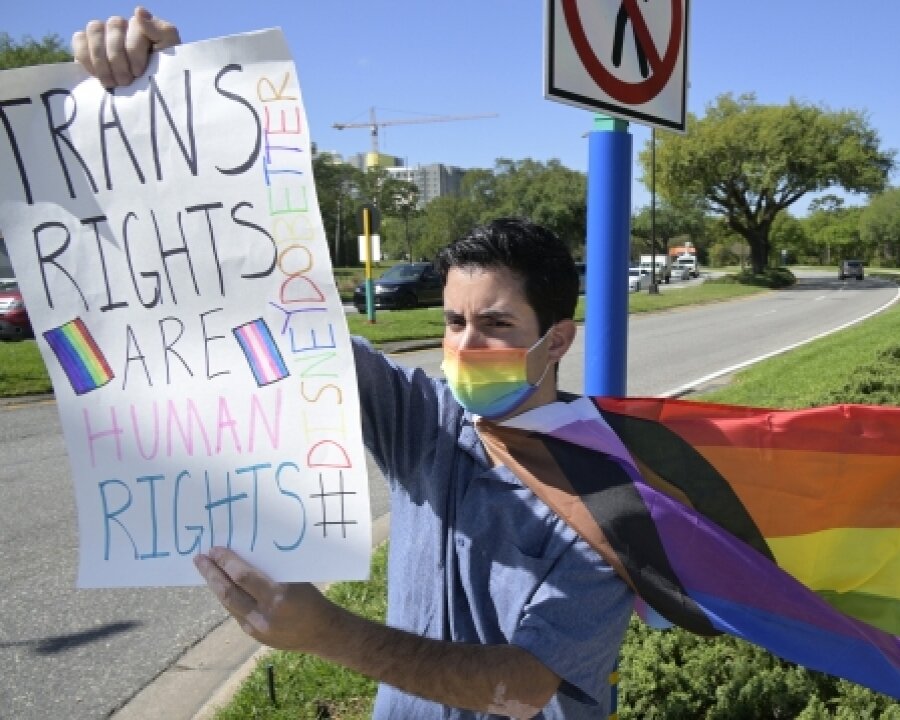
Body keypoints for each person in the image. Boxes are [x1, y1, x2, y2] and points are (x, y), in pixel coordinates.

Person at [74, 12, 633, 719]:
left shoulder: (612, 495)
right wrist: (177, 99)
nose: (464, 345)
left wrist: (328, 634)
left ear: (557, 342)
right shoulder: (429, 423)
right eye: (453, 321)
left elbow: (522, 686)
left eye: (495, 326)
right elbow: (282, 315)